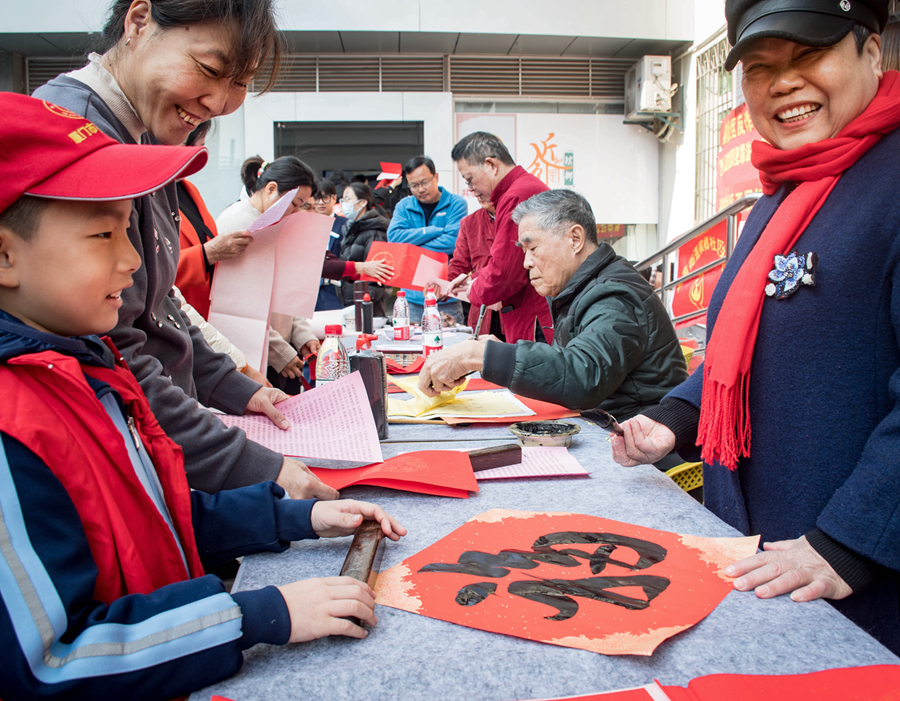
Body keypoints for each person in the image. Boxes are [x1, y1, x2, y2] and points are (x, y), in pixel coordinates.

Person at [0, 91, 406, 701]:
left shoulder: (92, 370)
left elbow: (155, 516)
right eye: (101, 235)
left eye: (129, 231)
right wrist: (256, 616)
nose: (131, 260)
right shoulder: (14, 425)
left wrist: (294, 517)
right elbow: (49, 661)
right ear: (5, 255)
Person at [611, 0, 900, 655]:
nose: (783, 82)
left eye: (808, 56)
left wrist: (848, 541)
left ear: (874, 51)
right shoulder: (786, 190)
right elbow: (748, 350)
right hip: (757, 566)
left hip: (853, 592)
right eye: (761, 67)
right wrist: (674, 418)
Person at [32, 0, 331, 499]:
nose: (219, 102)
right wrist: (248, 465)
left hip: (160, 440)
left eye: (240, 84)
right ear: (138, 21)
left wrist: (237, 389)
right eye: (211, 70)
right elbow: (110, 351)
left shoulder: (146, 136)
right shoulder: (78, 140)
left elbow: (159, 302)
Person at [419, 190, 687, 421]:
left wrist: (480, 354)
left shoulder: (614, 295)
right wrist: (498, 352)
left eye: (532, 248)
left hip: (640, 445)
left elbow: (584, 376)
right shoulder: (583, 287)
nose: (526, 263)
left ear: (575, 239)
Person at [216, 156, 321, 394]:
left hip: (277, 349)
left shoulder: (272, 223)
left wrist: (301, 334)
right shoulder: (241, 223)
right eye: (295, 204)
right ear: (271, 189)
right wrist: (279, 351)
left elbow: (285, 290)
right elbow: (240, 307)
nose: (296, 212)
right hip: (256, 355)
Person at [449, 132, 555, 344]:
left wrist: (474, 288)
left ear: (491, 164)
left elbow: (505, 272)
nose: (471, 190)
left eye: (470, 180)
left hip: (535, 314)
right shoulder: (524, 188)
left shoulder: (515, 195)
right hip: (532, 311)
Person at [177, 121, 250, 321]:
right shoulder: (151, 194)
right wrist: (207, 254)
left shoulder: (188, 189)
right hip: (178, 316)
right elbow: (154, 270)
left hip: (206, 314)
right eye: (199, 145)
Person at [387, 155, 468, 324]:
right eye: (414, 185)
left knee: (453, 347)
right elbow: (394, 239)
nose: (420, 189)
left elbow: (453, 242)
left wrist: (411, 245)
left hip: (447, 297)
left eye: (424, 182)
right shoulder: (404, 206)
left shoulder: (456, 204)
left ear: (436, 177)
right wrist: (433, 231)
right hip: (412, 298)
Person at [446, 194, 502, 337]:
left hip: (512, 307)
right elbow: (459, 265)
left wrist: (477, 276)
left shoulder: (518, 218)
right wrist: (443, 285)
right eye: (471, 184)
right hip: (482, 309)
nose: (478, 193)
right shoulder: (469, 223)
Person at [339, 182, 391, 317]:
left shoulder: (375, 231)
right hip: (350, 301)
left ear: (362, 202)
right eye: (343, 200)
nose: (344, 203)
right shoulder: (350, 229)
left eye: (348, 199)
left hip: (367, 305)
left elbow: (378, 273)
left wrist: (366, 299)